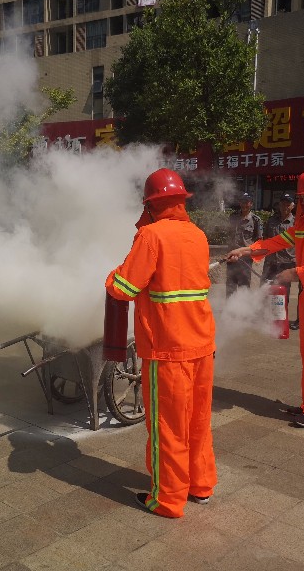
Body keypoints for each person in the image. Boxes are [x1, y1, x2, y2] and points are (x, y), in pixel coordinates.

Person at [106, 168, 216, 518]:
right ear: (181, 201)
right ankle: (200, 485)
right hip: (202, 345)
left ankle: (167, 499)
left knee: (167, 426)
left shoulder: (151, 236)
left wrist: (111, 276)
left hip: (167, 349)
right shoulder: (197, 234)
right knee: (197, 421)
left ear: (150, 205)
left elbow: (124, 287)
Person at [226, 170, 304, 428]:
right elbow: (277, 242)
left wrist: (295, 273)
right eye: (302, 197)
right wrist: (247, 250)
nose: (302, 201)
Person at [261, 193, 300, 330]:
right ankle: (269, 318)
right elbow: (266, 239)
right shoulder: (271, 221)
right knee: (268, 289)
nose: (285, 206)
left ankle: (281, 319)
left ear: (293, 206)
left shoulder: (296, 222)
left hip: (287, 262)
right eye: (283, 203)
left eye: (288, 204)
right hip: (271, 261)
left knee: (284, 292)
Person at [226, 193, 263, 297]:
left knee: (244, 285)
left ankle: (243, 306)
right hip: (232, 256)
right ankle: (229, 306)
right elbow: (229, 235)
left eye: (247, 202)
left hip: (245, 258)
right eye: (242, 202)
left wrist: (252, 254)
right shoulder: (233, 217)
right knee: (230, 285)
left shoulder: (256, 220)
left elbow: (259, 241)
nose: (244, 204)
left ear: (251, 204)